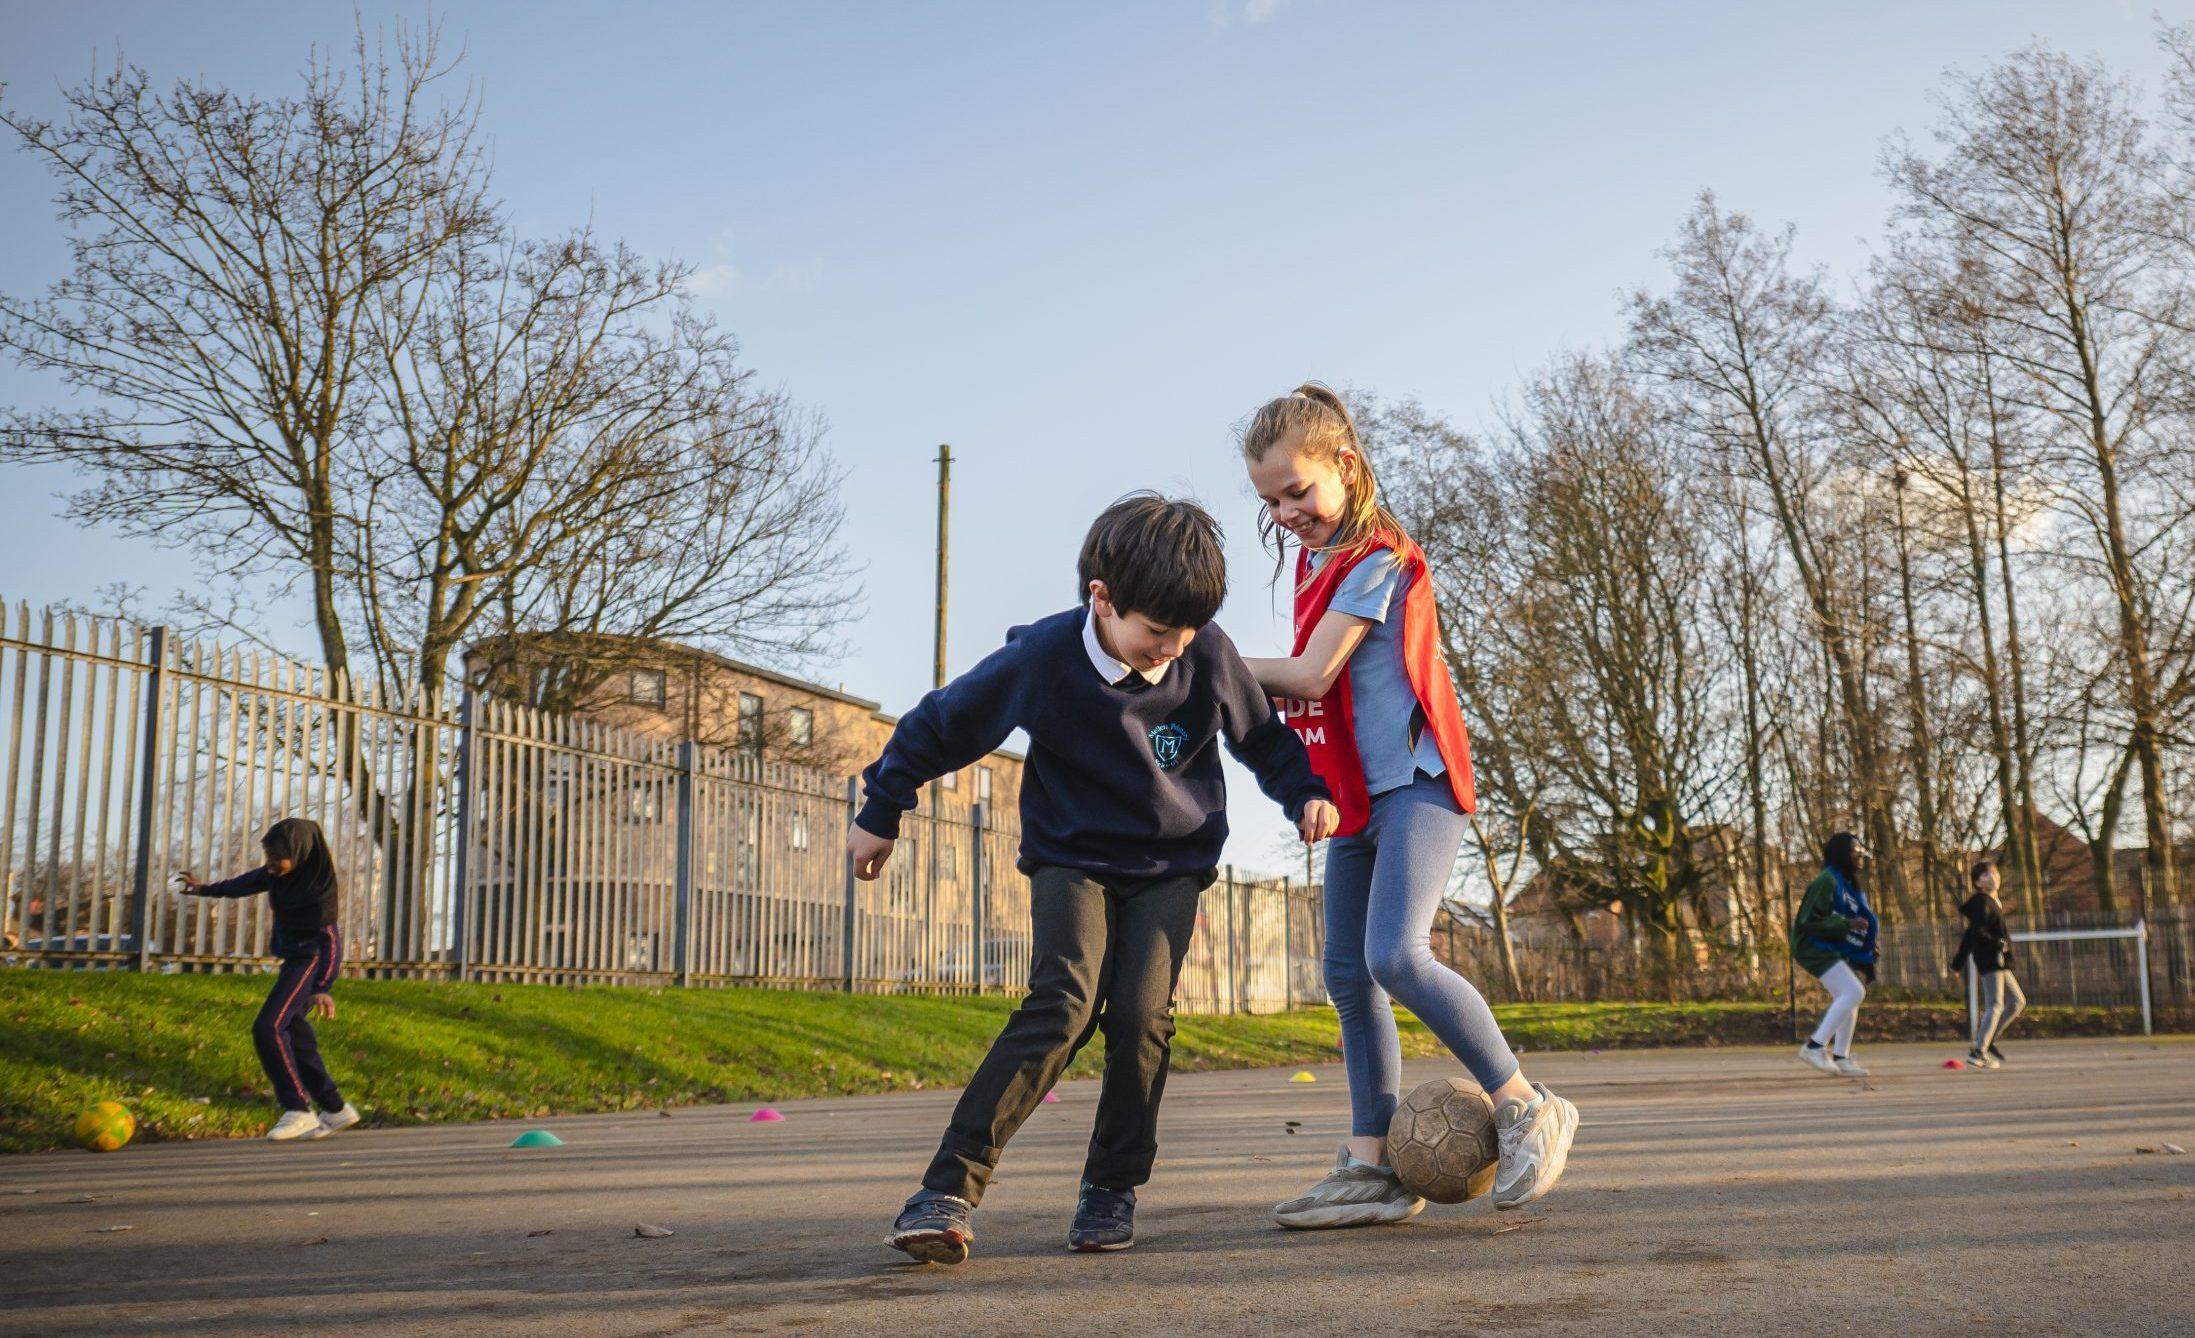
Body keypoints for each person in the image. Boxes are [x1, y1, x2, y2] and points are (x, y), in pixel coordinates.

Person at [857, 493, 1337, 1264]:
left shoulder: (1205, 654)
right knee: (1064, 1002)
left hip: (1169, 864)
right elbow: (940, 726)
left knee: (1140, 1017)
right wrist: (882, 806)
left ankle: (1110, 1188)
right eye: (1155, 633)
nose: (1170, 650)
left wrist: (1304, 793)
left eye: (1184, 635)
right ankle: (945, 1190)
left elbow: (1264, 741)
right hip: (1071, 856)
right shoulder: (1040, 659)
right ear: (1102, 598)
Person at [1236, 383, 1579, 1229]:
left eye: (1297, 491)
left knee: (1395, 954)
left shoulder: (1380, 557)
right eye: (1268, 500)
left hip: (1420, 790)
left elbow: (1314, 674)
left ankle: (1528, 1104)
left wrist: (1202, 662)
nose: (1285, 512)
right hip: (1358, 799)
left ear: (1344, 468)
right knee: (1347, 976)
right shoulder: (1316, 568)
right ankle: (1372, 1165)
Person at [174, 818, 362, 1141]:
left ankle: (298, 1109)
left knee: (268, 1027)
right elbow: (242, 884)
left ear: (300, 853)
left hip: (309, 961)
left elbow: (331, 940)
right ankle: (334, 1108)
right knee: (295, 1033)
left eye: (278, 858)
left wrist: (322, 988)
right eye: (269, 857)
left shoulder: (319, 892)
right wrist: (203, 889)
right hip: (295, 960)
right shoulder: (278, 876)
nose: (271, 865)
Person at [1791, 831, 1880, 1077]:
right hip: (1813, 946)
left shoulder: (1846, 883)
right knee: (1854, 991)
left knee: (1849, 995)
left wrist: (1865, 944)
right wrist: (1848, 925)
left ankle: (1841, 1057)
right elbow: (1810, 921)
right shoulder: (1827, 881)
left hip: (1829, 945)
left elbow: (1853, 919)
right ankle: (1814, 1047)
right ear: (1841, 854)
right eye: (1855, 851)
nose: (1860, 856)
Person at [1951, 857, 2022, 1069]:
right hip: (1990, 959)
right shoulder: (1982, 901)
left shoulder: (1993, 902)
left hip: (1999, 961)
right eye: (1986, 874)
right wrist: (1959, 962)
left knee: (2018, 1001)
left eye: (1995, 873)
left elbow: (1972, 932)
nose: (1993, 877)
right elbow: (1975, 933)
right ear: (1978, 882)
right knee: (1995, 1004)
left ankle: (1987, 1041)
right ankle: (1978, 1051)